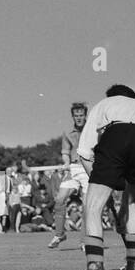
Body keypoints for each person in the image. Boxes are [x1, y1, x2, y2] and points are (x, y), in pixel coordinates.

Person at [74, 84, 135, 270]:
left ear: (111, 96)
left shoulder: (104, 103)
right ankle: (133, 267)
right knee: (132, 201)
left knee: (93, 205)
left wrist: (96, 182)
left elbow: (84, 151)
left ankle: (94, 267)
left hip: (117, 134)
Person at [48, 101, 89, 249]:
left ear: (86, 115)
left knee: (86, 206)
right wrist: (66, 162)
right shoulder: (67, 133)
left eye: (81, 115)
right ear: (72, 116)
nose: (79, 118)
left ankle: (85, 240)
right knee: (59, 200)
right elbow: (65, 153)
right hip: (73, 169)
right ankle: (59, 234)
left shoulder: (93, 130)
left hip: (89, 169)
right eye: (76, 115)